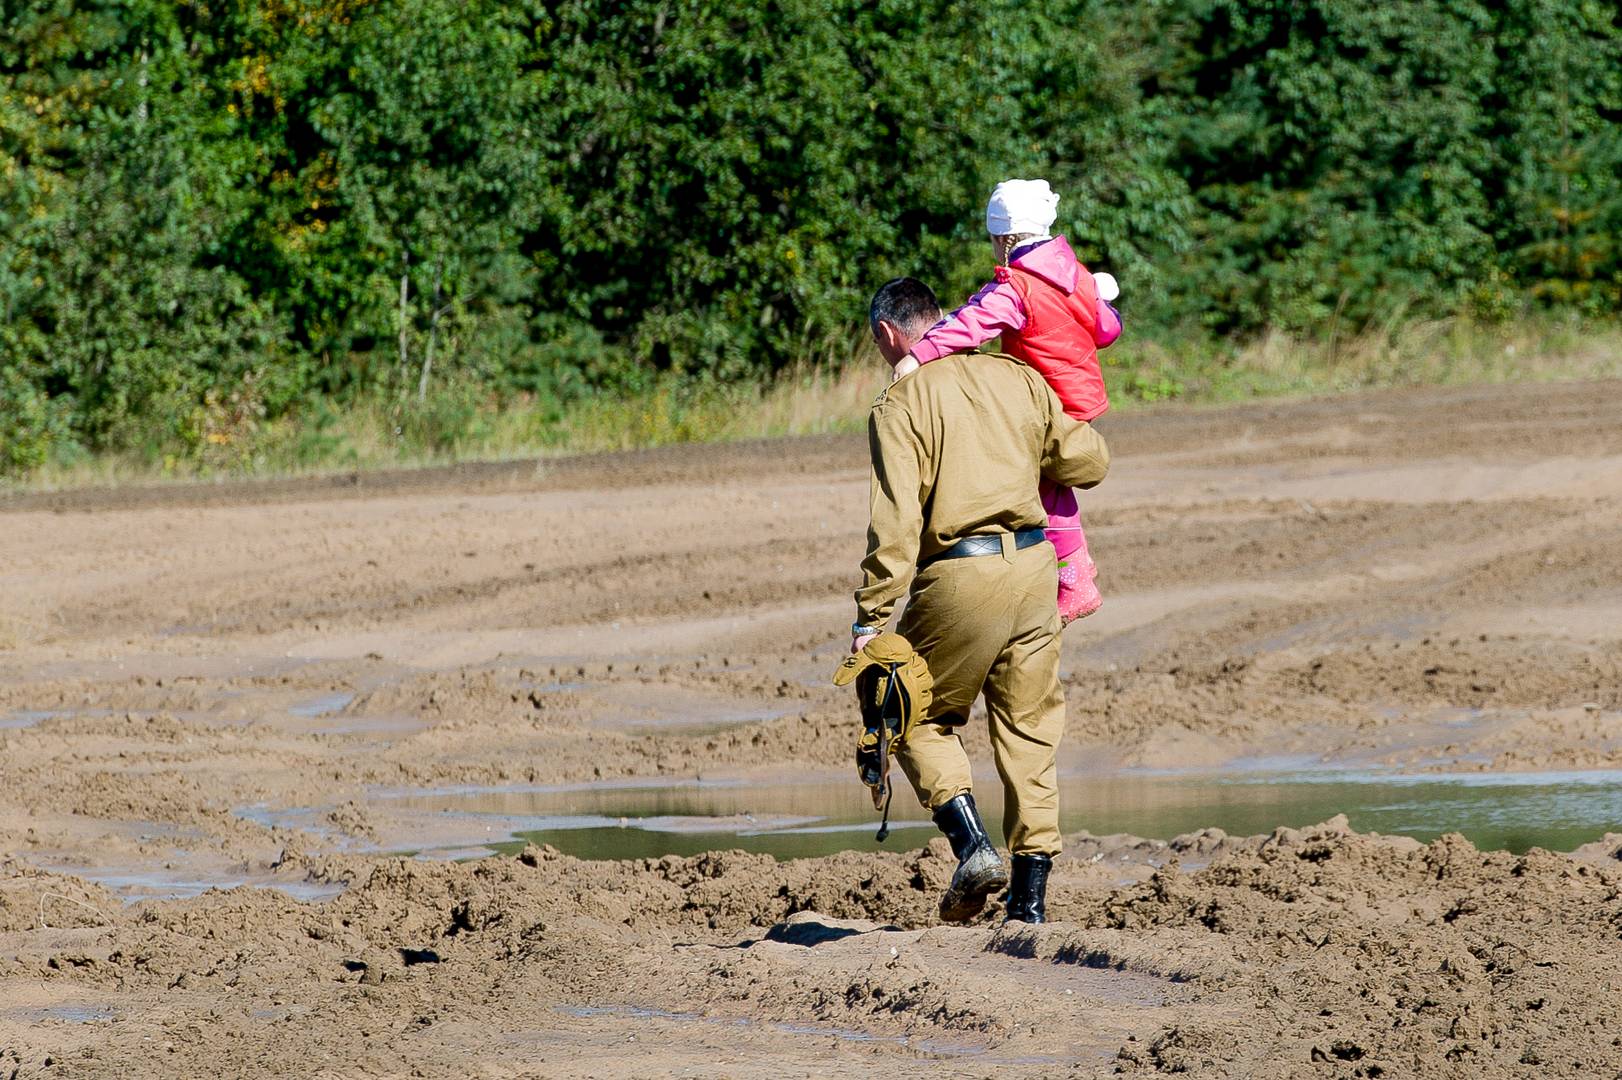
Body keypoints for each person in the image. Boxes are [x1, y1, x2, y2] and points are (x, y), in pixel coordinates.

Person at [851, 277, 1111, 924]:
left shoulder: (900, 402)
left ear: (888, 335)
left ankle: (972, 847)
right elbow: (1088, 464)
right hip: (1034, 571)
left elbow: (895, 530)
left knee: (900, 705)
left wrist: (871, 620)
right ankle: (1028, 907)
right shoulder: (1017, 377)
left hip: (960, 576)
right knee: (1029, 734)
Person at [891, 178, 1121, 624]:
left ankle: (1075, 579)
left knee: (1044, 488)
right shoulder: (1078, 276)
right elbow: (1106, 331)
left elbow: (971, 324)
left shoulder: (1016, 288)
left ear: (1003, 238)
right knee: (1052, 485)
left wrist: (918, 355)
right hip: (1082, 396)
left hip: (1049, 403)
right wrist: (1112, 310)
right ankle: (1073, 565)